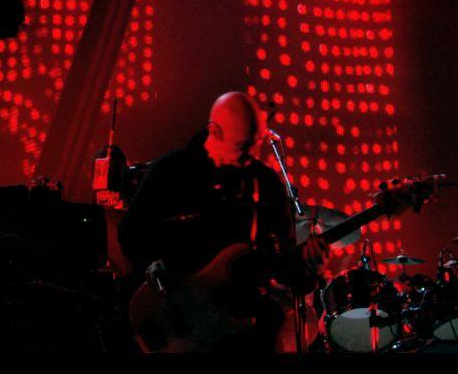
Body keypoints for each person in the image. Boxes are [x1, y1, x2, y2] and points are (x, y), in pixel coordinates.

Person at [120, 91, 329, 352]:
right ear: (214, 132)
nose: (250, 156)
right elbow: (129, 233)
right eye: (242, 146)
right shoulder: (171, 172)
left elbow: (284, 268)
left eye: (255, 144)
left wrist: (309, 267)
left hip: (241, 326)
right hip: (181, 324)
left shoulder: (266, 184)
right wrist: (161, 272)